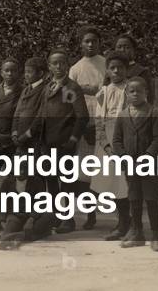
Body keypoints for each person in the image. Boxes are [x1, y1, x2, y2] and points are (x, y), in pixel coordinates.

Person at [0, 57, 52, 250]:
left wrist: (27, 134)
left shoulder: (44, 89)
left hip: (33, 141)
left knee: (34, 176)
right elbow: (18, 113)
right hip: (20, 141)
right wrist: (14, 132)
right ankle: (16, 229)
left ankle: (31, 225)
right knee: (19, 172)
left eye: (30, 72)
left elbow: (40, 116)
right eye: (26, 72)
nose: (27, 75)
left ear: (40, 73)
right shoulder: (26, 89)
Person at [112, 76, 158, 252]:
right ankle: (137, 234)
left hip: (149, 165)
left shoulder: (154, 113)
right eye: (132, 91)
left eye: (139, 91)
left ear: (146, 93)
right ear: (126, 94)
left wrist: (147, 156)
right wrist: (124, 157)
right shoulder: (122, 115)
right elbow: (117, 140)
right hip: (130, 165)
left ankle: (156, 236)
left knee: (151, 199)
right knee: (134, 199)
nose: (135, 94)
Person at [40, 49, 89, 234]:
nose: (59, 67)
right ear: (49, 66)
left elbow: (82, 116)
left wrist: (73, 138)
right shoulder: (47, 86)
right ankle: (55, 217)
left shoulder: (71, 88)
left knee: (66, 182)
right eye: (55, 63)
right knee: (51, 182)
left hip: (64, 142)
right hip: (47, 142)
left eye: (62, 63)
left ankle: (68, 220)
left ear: (68, 65)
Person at [68, 26, 106, 230]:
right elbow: (71, 97)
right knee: (85, 173)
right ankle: (90, 214)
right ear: (81, 44)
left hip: (104, 124)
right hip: (84, 124)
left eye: (94, 41)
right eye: (86, 41)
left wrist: (96, 91)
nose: (90, 44)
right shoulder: (75, 69)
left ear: (99, 43)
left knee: (105, 171)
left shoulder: (106, 64)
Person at [92, 53, 131, 240]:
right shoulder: (104, 92)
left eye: (120, 68)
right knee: (112, 183)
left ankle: (127, 223)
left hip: (126, 139)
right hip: (108, 140)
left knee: (124, 183)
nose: (116, 71)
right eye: (112, 68)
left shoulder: (131, 90)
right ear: (107, 70)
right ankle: (122, 221)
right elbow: (99, 121)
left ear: (127, 69)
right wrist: (105, 145)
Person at [0, 59, 22, 168]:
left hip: (12, 140)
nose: (10, 73)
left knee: (11, 172)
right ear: (1, 72)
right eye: (6, 70)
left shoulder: (23, 91)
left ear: (18, 72)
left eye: (13, 70)